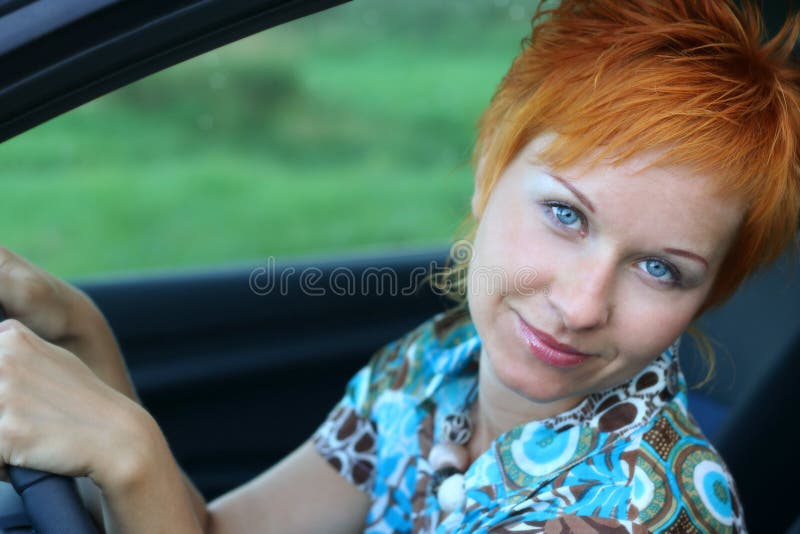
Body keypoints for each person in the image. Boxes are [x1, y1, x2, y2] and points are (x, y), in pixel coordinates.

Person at [0, 0, 797, 532]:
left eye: (661, 270)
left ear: (710, 294)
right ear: (490, 166)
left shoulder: (635, 510)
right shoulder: (437, 361)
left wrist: (129, 450)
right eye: (565, 216)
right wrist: (83, 332)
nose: (583, 305)